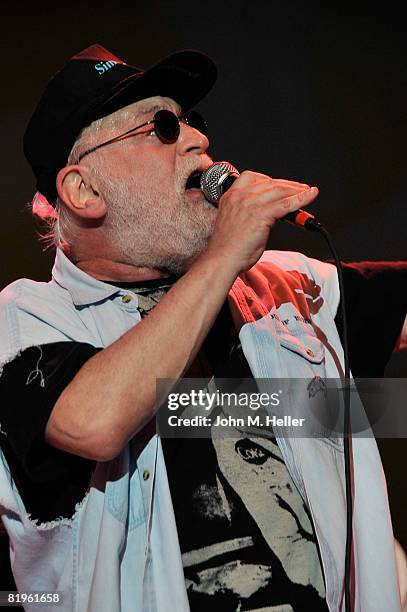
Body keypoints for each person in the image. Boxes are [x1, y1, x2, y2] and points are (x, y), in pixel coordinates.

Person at [0, 43, 406, 612]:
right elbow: (92, 422)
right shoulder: (24, 318)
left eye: (194, 121)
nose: (197, 140)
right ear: (83, 191)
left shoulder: (286, 288)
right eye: (164, 127)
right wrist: (222, 258)